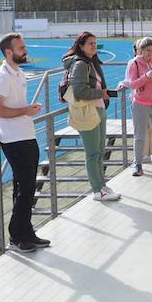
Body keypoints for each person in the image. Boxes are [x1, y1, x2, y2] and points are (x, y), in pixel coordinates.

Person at [0, 33, 48, 252]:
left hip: (26, 134)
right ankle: (16, 236)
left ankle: (26, 232)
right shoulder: (0, 76)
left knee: (25, 186)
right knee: (27, 186)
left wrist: (26, 110)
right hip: (13, 139)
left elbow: (14, 105)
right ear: (8, 52)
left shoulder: (19, 74)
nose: (26, 50)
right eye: (21, 47)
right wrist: (24, 110)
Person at [61, 32, 121, 199]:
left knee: (100, 151)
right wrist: (102, 94)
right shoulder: (80, 64)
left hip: (98, 109)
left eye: (95, 43)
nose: (94, 46)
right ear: (81, 46)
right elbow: (79, 92)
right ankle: (97, 190)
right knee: (93, 153)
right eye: (90, 43)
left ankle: (102, 186)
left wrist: (104, 95)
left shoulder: (91, 62)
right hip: (87, 111)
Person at [119, 37, 152, 175]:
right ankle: (137, 164)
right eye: (148, 50)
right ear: (141, 50)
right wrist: (146, 76)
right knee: (139, 135)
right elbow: (133, 84)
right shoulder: (134, 63)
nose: (151, 53)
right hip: (140, 104)